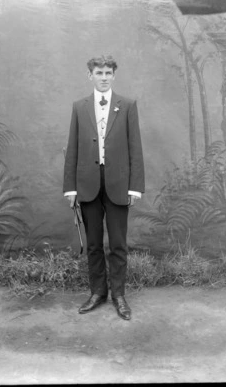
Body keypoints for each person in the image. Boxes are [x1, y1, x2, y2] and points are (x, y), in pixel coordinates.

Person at [63, 55, 145, 320]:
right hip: (87, 184)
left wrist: (135, 187)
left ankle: (118, 295)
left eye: (108, 72)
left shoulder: (128, 105)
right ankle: (97, 292)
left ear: (114, 75)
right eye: (99, 73)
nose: (104, 77)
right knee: (95, 244)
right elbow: (72, 149)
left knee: (118, 244)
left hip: (119, 185)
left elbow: (135, 148)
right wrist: (70, 188)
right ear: (90, 75)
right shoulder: (79, 107)